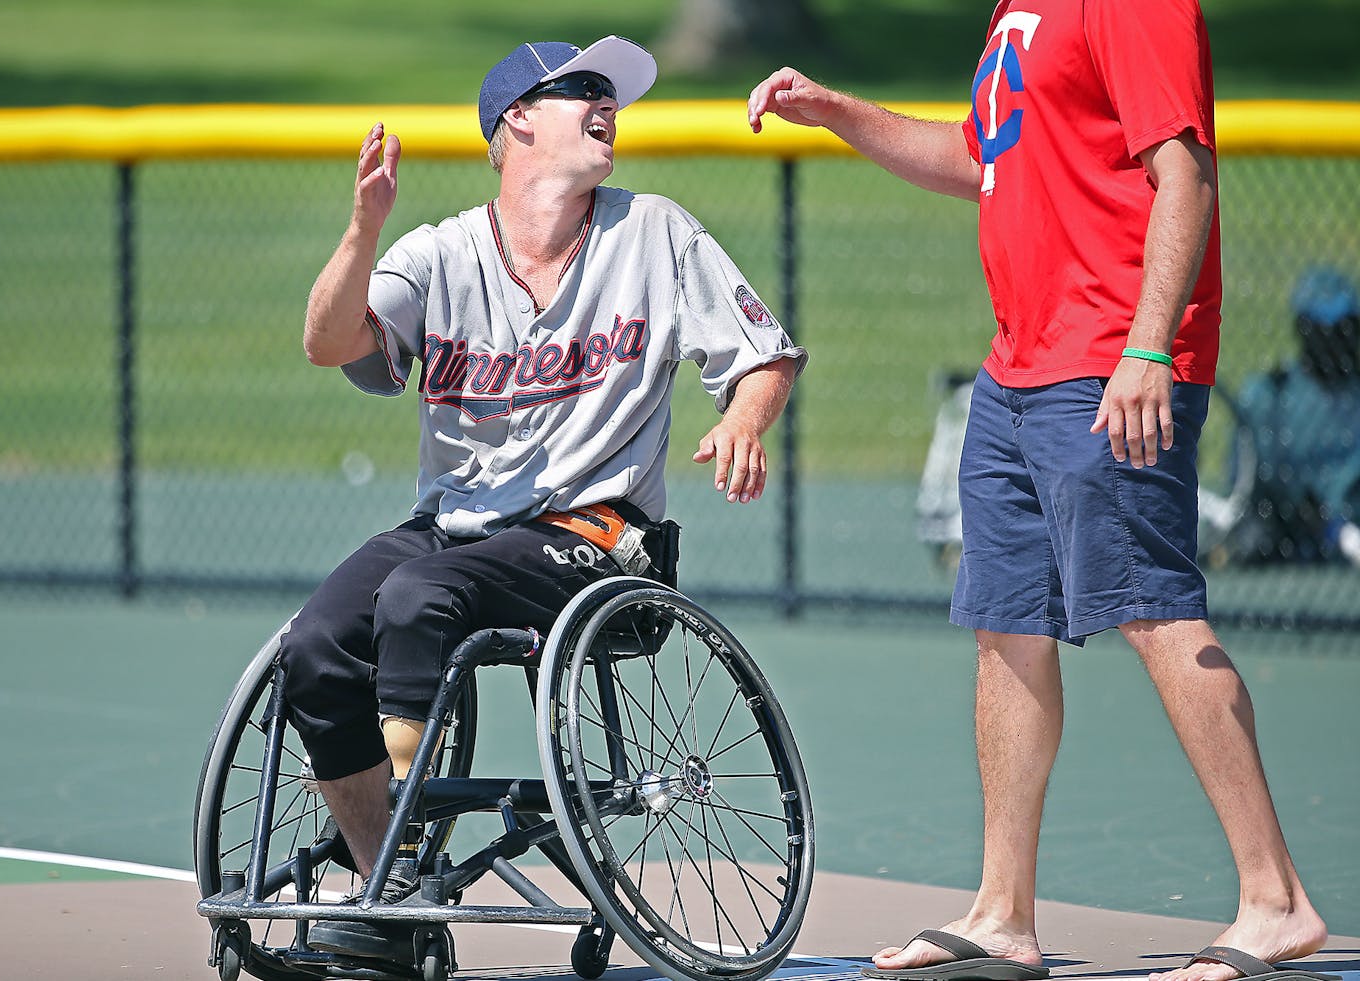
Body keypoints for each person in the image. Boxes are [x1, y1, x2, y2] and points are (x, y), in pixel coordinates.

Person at [746, 3, 1330, 981]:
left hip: (1106, 361)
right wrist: (837, 111)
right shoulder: (1017, 9)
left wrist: (1147, 346)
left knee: (1152, 609)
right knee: (1003, 622)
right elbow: (979, 156)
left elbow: (1182, 172)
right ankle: (1001, 911)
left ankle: (1272, 899)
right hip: (1016, 370)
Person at [284, 34, 805, 963]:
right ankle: (388, 887)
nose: (609, 106)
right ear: (515, 118)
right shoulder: (438, 251)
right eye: (583, 92)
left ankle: (390, 872)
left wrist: (743, 421)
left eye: (615, 96)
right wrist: (363, 228)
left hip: (596, 533)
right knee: (318, 642)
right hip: (452, 526)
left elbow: (764, 354)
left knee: (419, 598)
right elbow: (329, 345)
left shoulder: (654, 232)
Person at [1220, 267, 1360, 565]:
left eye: (1346, 327)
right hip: (1284, 545)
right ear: (1304, 329)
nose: (1337, 340)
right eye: (1325, 330)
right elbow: (1246, 488)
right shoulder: (1269, 396)